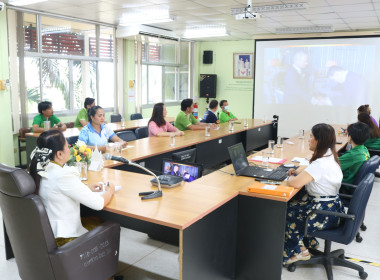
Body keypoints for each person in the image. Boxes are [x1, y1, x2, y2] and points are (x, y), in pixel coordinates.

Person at [28, 130, 115, 247]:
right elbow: (98, 204)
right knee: (105, 222)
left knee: (93, 219)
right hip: (65, 237)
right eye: (67, 146)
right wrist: (110, 190)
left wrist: (86, 188)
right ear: (59, 154)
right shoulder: (63, 175)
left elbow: (57, 190)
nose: (70, 149)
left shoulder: (40, 168)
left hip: (48, 232)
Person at [283, 123, 344, 265]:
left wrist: (291, 177)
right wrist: (299, 172)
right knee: (293, 205)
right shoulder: (329, 156)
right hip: (333, 208)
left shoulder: (321, 163)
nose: (309, 139)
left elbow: (295, 184)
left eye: (311, 137)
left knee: (283, 212)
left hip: (323, 213)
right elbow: (312, 172)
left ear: (319, 140)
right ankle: (309, 241)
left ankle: (302, 251)